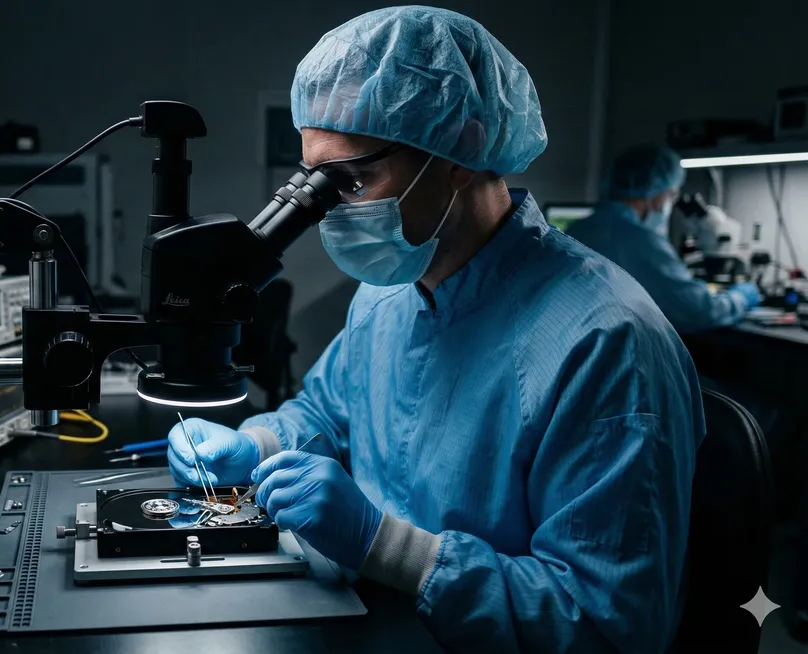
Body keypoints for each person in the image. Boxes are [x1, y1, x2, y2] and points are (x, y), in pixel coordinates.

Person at [166, 7, 702, 652]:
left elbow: (608, 625)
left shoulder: (607, 343)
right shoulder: (385, 292)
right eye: (314, 180)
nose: (327, 210)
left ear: (464, 149)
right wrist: (257, 443)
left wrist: (390, 548)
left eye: (352, 180)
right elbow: (331, 412)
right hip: (363, 616)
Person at [566, 144, 761, 332]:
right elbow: (698, 311)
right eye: (672, 194)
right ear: (657, 196)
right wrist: (742, 296)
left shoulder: (577, 230)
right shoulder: (642, 242)